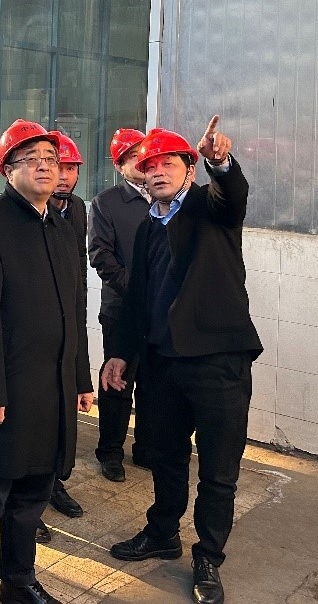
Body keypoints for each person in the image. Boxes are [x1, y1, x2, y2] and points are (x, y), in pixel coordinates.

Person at [101, 117, 261, 604]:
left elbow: (233, 195)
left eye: (168, 163)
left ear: (190, 169)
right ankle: (163, 532)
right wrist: (120, 353)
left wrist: (221, 163)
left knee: (218, 469)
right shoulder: (148, 227)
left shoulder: (210, 209)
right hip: (162, 365)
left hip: (218, 364)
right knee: (165, 457)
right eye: (149, 166)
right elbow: (137, 299)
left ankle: (209, 556)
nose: (157, 172)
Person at [0, 120, 93, 604]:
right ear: (8, 170)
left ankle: (18, 582)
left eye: (51, 159)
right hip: (4, 393)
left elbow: (75, 309)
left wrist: (79, 377)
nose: (45, 166)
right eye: (30, 159)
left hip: (51, 391)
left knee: (32, 498)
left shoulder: (62, 228)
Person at [33, 130, 88, 541]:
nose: (64, 175)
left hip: (68, 321)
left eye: (70, 168)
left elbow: (77, 269)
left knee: (59, 421)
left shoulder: (77, 209)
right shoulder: (30, 211)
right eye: (58, 166)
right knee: (32, 425)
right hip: (35, 335)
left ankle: (54, 484)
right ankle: (27, 505)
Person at [89, 128, 151, 483]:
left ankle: (146, 447)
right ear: (119, 166)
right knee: (118, 382)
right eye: (133, 157)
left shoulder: (166, 197)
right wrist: (139, 290)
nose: (142, 163)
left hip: (160, 312)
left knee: (154, 383)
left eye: (145, 155)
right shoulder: (106, 203)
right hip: (121, 309)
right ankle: (110, 451)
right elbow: (101, 256)